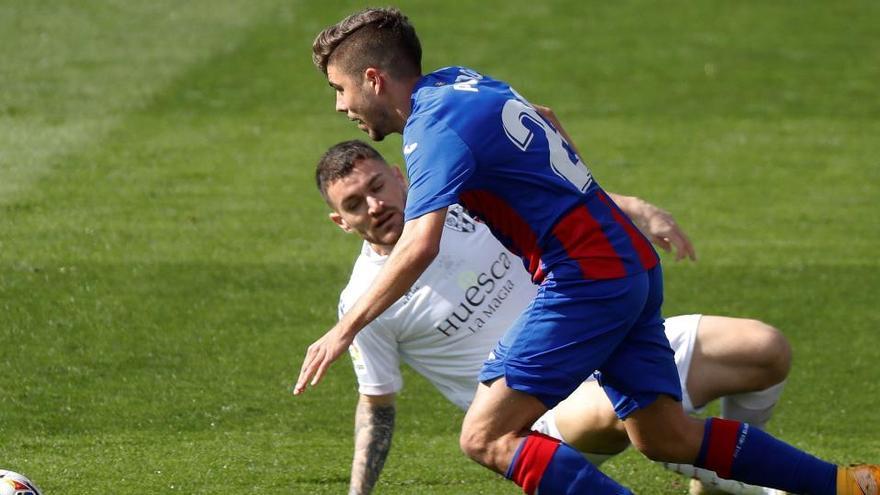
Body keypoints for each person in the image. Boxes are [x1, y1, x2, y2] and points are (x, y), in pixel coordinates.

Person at [296, 7, 879, 494]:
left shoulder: (433, 130)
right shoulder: (462, 81)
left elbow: (420, 243)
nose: (340, 106)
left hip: (585, 277)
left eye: (340, 89)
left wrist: (345, 328)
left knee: (485, 437)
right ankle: (853, 486)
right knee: (666, 437)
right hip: (623, 261)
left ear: (373, 79)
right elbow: (543, 120)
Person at [315, 139, 791, 495]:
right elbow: (376, 405)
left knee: (763, 350)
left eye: (377, 186)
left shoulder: (465, 201)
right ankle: (763, 482)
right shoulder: (364, 300)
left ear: (399, 176)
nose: (375, 206)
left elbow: (560, 199)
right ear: (341, 222)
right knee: (619, 403)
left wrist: (638, 210)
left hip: (603, 335)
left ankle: (714, 482)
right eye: (354, 204)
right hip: (538, 411)